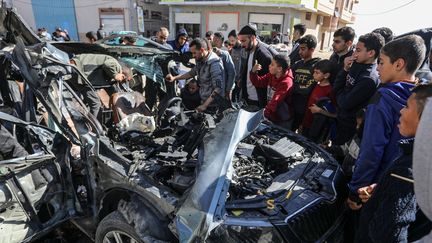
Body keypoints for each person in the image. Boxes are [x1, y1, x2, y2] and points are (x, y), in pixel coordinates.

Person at [347, 35, 426, 209]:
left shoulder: (383, 98)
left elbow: (371, 150)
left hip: (372, 188)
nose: (377, 68)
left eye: (381, 62)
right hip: (405, 185)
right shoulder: (423, 95)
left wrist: (356, 190)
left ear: (398, 64)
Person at [354, 84, 432, 242]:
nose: (401, 111)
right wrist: (383, 190)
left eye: (408, 106)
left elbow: (389, 234)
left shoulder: (409, 169)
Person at [332, 33, 384, 147]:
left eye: (358, 50)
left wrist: (339, 93)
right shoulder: (355, 63)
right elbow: (336, 87)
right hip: (339, 119)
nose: (354, 53)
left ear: (371, 53)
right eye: (355, 49)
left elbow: (344, 103)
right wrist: (345, 69)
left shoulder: (369, 79)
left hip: (349, 127)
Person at [165, 38, 224, 113]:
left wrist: (205, 105)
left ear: (202, 50)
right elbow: (191, 73)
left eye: (194, 53)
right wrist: (174, 78)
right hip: (203, 102)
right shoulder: (201, 60)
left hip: (214, 107)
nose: (193, 56)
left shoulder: (214, 64)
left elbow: (218, 88)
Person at [250, 54, 294, 126]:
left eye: (272, 64)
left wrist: (263, 114)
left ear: (279, 69)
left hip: (283, 119)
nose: (269, 65)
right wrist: (253, 72)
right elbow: (259, 82)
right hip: (273, 115)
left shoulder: (286, 82)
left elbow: (276, 101)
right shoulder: (272, 75)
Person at [238, 24, 274, 108]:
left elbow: (267, 83)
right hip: (248, 98)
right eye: (240, 41)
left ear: (253, 38)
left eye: (243, 41)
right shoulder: (249, 50)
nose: (242, 45)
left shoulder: (264, 55)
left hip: (258, 101)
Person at [290, 34, 321, 131]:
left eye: (303, 49)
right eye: (299, 49)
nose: (300, 52)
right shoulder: (297, 64)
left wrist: (294, 87)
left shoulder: (317, 66)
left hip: (305, 110)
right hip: (292, 107)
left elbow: (307, 89)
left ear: (312, 50)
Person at [300, 59, 337, 140]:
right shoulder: (316, 84)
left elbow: (336, 115)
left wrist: (320, 111)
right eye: (314, 72)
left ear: (326, 75)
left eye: (317, 73)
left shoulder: (330, 91)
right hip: (306, 125)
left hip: (317, 131)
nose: (313, 75)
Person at [228, 29, 243, 104]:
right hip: (233, 79)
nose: (231, 43)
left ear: (238, 38)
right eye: (230, 41)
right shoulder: (233, 49)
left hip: (240, 80)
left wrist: (241, 78)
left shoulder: (243, 49)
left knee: (239, 100)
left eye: (232, 40)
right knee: (233, 100)